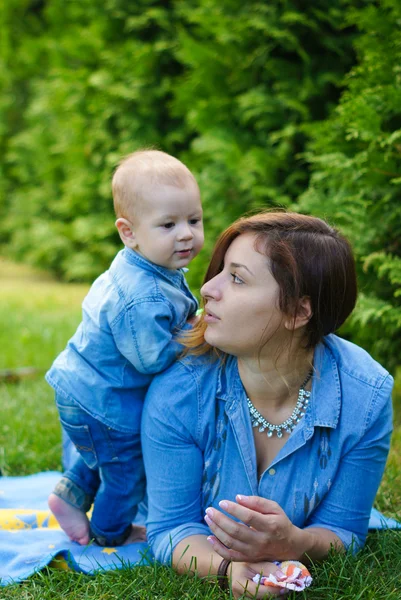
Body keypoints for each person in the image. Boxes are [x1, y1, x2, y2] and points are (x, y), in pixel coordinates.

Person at [141, 211, 393, 597]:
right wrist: (228, 570)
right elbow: (171, 526)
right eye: (220, 271)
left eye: (237, 278)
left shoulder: (366, 397)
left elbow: (344, 530)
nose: (207, 288)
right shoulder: (181, 390)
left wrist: (295, 544)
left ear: (298, 311)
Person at [46, 149, 204, 547]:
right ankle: (109, 532)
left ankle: (68, 495)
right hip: (103, 398)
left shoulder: (145, 265)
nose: (185, 233)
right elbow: (150, 358)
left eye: (194, 220)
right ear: (128, 232)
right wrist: (194, 336)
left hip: (86, 390)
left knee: (103, 449)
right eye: (168, 224)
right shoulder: (142, 295)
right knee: (126, 468)